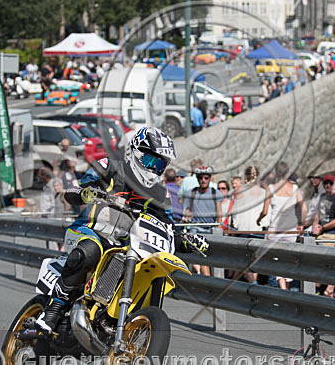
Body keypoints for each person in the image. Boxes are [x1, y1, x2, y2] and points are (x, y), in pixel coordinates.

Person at [35, 127, 206, 334]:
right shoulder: (111, 166)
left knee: (147, 267)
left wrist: (184, 240)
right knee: (90, 250)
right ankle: (55, 307)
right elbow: (75, 191)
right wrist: (88, 192)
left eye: (160, 164)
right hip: (92, 229)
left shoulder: (161, 193)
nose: (155, 168)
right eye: (152, 161)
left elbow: (167, 225)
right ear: (136, 152)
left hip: (127, 243)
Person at [257, 161, 306, 290]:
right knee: (288, 260)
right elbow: (303, 207)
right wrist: (301, 223)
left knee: (277, 260)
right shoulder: (295, 189)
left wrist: (259, 219)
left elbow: (265, 211)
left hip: (275, 229)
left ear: (276, 173)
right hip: (291, 229)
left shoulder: (271, 189)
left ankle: (283, 289)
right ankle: (287, 288)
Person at [182, 165, 221, 277]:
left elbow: (219, 214)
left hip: (211, 229)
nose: (203, 180)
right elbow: (187, 210)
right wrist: (185, 218)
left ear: (209, 178)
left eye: (206, 178)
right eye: (200, 178)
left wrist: (218, 229)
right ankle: (207, 280)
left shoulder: (215, 193)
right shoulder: (192, 193)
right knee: (201, 255)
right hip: (196, 229)